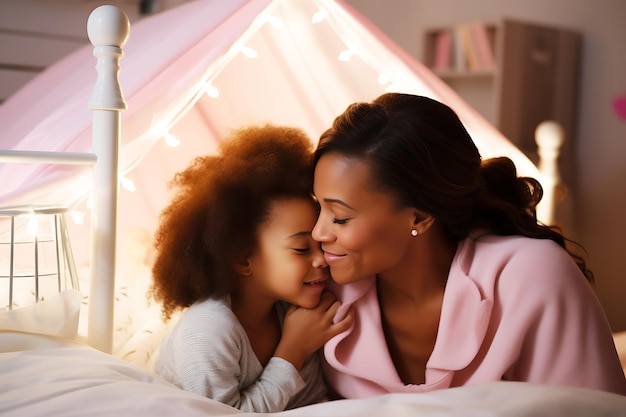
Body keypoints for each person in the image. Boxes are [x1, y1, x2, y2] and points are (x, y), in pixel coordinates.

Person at [311, 92, 626, 397]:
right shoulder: (321, 288)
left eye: (339, 218)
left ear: (419, 218)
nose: (317, 233)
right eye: (318, 207)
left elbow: (593, 408)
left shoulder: (530, 273)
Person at [150, 124, 353, 412]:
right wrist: (292, 351)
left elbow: (312, 403)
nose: (322, 260)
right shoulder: (208, 329)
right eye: (301, 249)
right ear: (243, 259)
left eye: (319, 245)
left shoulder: (295, 312)